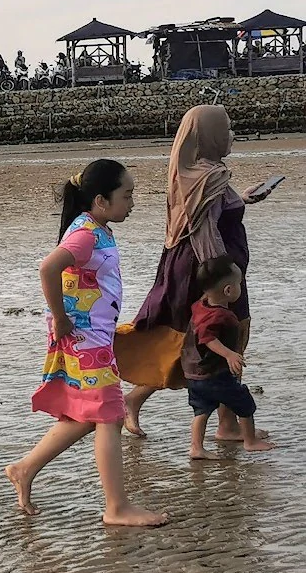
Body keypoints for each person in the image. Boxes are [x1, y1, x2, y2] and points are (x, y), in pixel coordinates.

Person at [4, 160, 167, 527]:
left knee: (91, 414)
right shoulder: (85, 233)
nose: (132, 202)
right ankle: (116, 507)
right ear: (100, 200)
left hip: (95, 338)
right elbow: (48, 268)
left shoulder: (98, 228)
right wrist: (59, 318)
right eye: (127, 195)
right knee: (110, 415)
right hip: (85, 340)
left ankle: (25, 468)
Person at [116, 104, 272, 441]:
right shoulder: (210, 176)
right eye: (226, 129)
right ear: (208, 136)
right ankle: (227, 425)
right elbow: (206, 233)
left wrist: (240, 199)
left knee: (195, 340)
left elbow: (204, 215)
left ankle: (219, 421)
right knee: (225, 335)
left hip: (189, 267)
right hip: (210, 270)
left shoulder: (191, 170)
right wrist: (223, 281)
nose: (231, 135)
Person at [183, 256, 274, 460]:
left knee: (202, 410)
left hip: (194, 374)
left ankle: (196, 447)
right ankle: (250, 441)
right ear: (228, 291)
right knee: (245, 403)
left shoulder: (201, 305)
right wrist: (229, 354)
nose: (240, 287)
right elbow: (207, 338)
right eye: (238, 283)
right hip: (214, 374)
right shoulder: (219, 316)